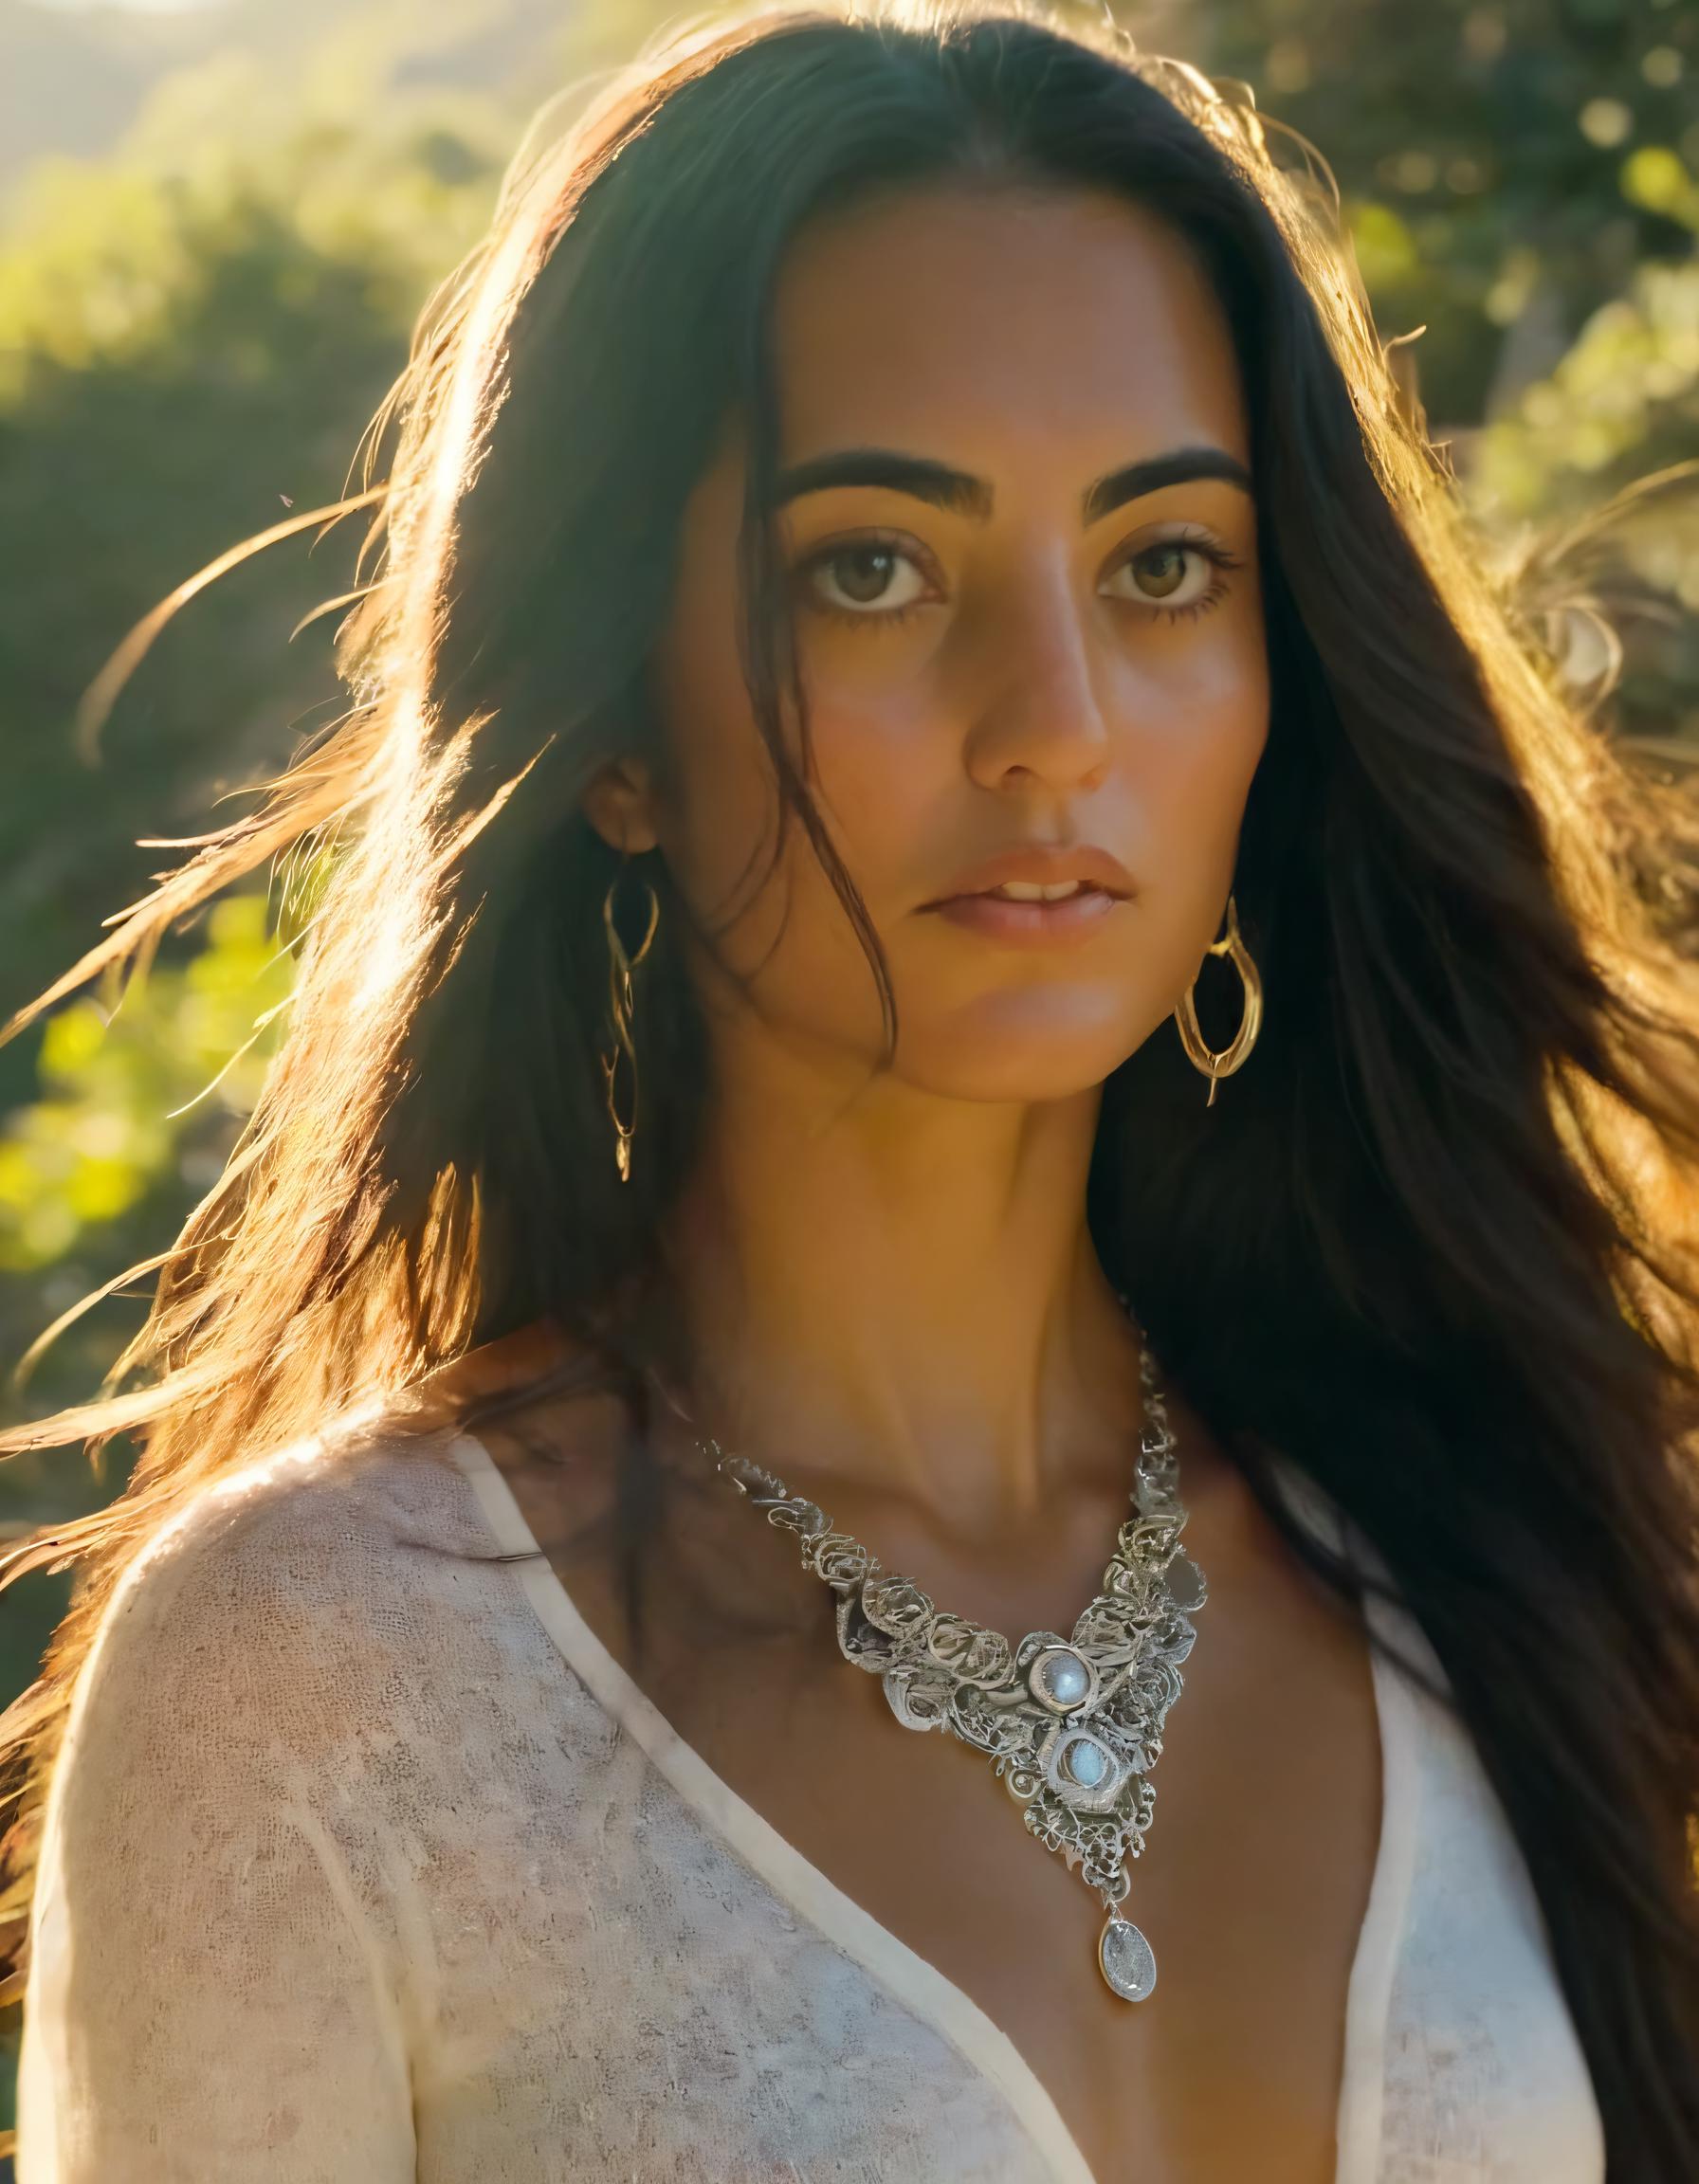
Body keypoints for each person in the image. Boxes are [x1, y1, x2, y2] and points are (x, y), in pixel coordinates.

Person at [4, 0, 1698, 2175]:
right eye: (872, 569)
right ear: (613, 724)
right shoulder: (327, 1681)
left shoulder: (1503, 1553)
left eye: (1159, 564)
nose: (1052, 723)